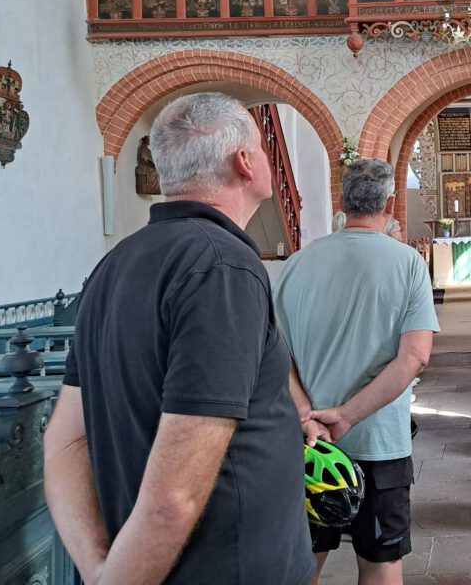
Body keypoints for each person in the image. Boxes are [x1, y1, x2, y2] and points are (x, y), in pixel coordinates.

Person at [44, 92, 314, 585]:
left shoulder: (114, 264)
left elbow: (65, 441)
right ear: (246, 162)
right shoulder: (222, 267)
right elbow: (174, 497)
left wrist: (97, 565)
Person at [274, 158, 439, 585]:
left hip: (309, 445)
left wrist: (306, 411)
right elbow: (415, 357)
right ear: (390, 202)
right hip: (378, 441)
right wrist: (347, 416)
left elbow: (274, 352)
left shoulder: (295, 264)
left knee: (303, 561)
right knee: (381, 561)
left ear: (343, 201)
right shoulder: (407, 263)